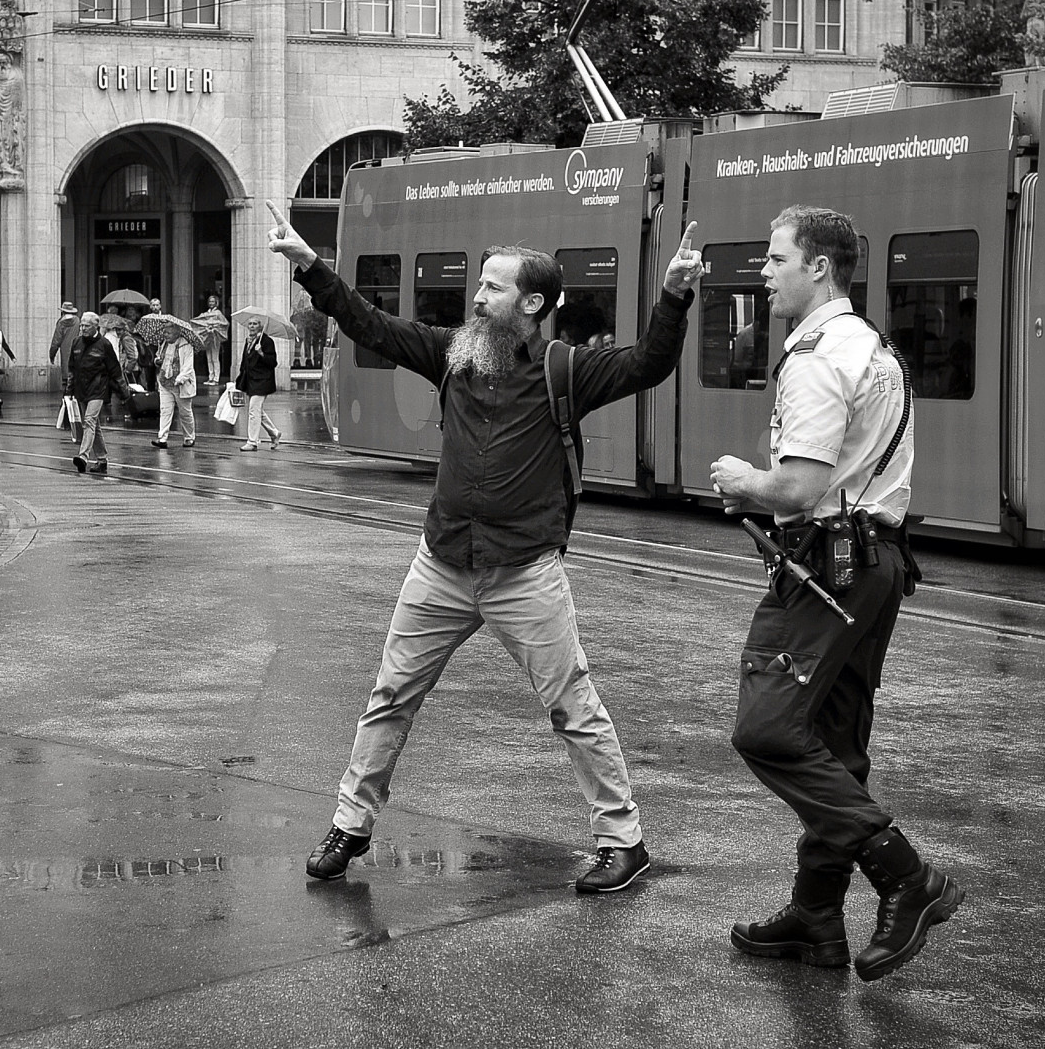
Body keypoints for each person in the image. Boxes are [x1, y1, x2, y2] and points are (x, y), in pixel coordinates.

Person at [268, 208, 704, 893]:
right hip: (440, 563)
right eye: (479, 284)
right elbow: (367, 322)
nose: (477, 296)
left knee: (573, 706)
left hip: (523, 571)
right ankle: (351, 823)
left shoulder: (567, 369)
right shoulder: (452, 351)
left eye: (493, 288)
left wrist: (675, 294)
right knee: (390, 695)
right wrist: (310, 265)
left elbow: (649, 362)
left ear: (531, 304)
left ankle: (624, 841)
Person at [711, 205, 962, 983]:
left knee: (768, 727)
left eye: (776, 256)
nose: (764, 268)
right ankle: (816, 913)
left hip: (824, 567)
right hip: (876, 563)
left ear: (819, 267)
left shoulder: (818, 355)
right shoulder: (873, 346)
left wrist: (741, 480)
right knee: (839, 742)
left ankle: (905, 873)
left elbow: (799, 485)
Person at [68, 310, 138, 474]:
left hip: (98, 389)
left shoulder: (104, 345)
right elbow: (71, 368)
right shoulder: (76, 342)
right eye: (82, 325)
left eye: (87, 326)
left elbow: (115, 370)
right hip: (81, 389)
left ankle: (83, 456)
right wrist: (68, 390)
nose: (83, 328)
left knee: (89, 421)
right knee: (94, 425)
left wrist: (124, 391)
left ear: (96, 327)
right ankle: (102, 460)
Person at [235, 316, 281, 451]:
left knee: (253, 410)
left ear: (260, 326)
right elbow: (245, 362)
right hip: (251, 381)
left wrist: (261, 353)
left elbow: (273, 363)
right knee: (257, 410)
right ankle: (274, 433)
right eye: (250, 324)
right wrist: (239, 379)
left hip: (263, 381)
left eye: (255, 324)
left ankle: (252, 441)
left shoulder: (267, 341)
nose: (252, 326)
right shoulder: (248, 341)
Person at [151, 334, 197, 449]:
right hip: (165, 382)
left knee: (185, 412)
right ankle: (162, 438)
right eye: (164, 331)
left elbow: (188, 366)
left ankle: (189, 437)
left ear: (176, 330)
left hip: (180, 384)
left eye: (168, 331)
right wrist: (157, 360)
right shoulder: (163, 343)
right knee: (165, 410)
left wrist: (180, 378)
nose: (165, 334)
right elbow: (159, 357)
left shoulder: (186, 345)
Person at [48, 301, 80, 383]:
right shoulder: (77, 321)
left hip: (65, 351)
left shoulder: (61, 323)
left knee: (66, 378)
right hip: (77, 349)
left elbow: (56, 341)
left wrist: (52, 355)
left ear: (62, 311)